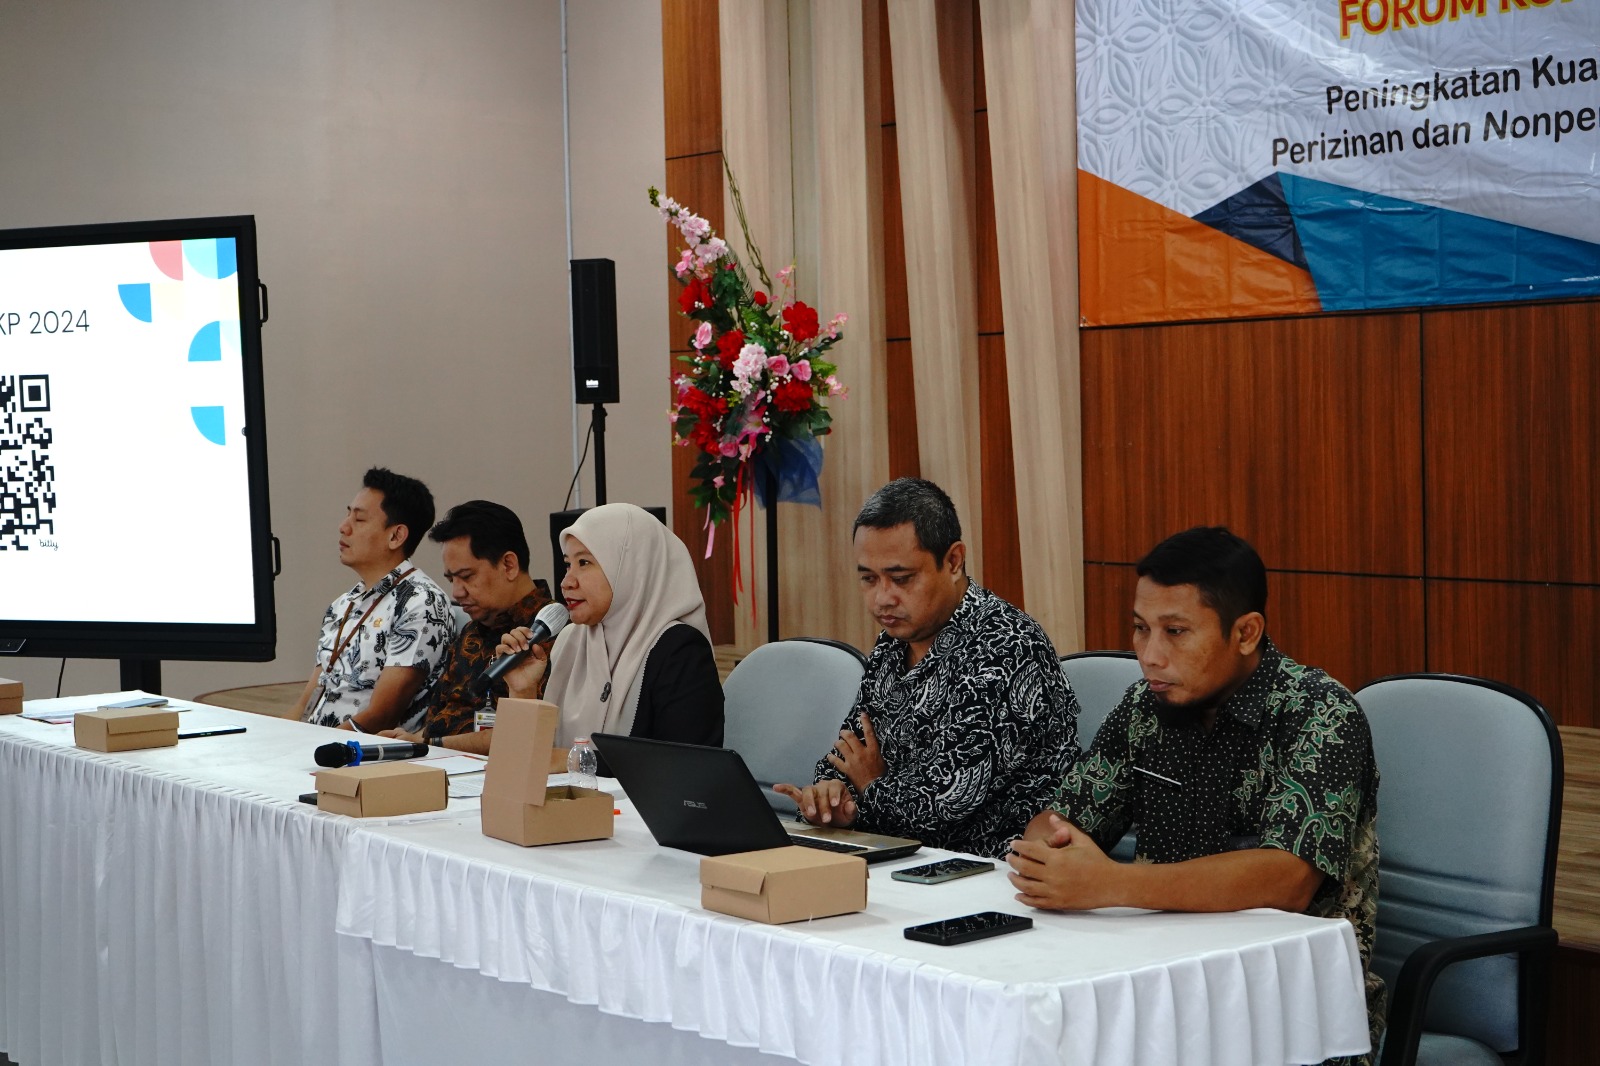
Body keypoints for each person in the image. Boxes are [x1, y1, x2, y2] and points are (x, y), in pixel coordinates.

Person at [1007, 526, 1383, 1065]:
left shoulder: (1320, 715)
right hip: (1154, 983)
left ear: (1246, 632)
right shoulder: (1145, 706)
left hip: (1287, 1011)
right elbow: (1057, 821)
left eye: (1176, 632)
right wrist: (1055, 850)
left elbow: (1287, 880)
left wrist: (1110, 883)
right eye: (1141, 629)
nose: (1150, 655)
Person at [773, 478, 1078, 859]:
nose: (882, 598)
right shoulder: (894, 640)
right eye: (868, 579)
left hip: (990, 869)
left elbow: (945, 802)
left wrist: (870, 786)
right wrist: (831, 796)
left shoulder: (1007, 646)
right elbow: (851, 750)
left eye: (901, 579)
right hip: (897, 856)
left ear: (953, 562)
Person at [492, 502, 723, 754]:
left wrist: (568, 761)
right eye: (568, 564)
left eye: (584, 562)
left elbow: (681, 764)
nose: (566, 582)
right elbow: (523, 761)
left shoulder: (680, 650)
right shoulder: (570, 640)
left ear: (630, 568)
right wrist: (522, 692)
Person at [378, 500, 553, 754]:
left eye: (467, 576)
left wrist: (426, 745)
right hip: (438, 761)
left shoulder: (550, 636)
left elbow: (528, 736)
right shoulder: (471, 631)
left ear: (509, 565)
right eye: (451, 579)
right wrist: (409, 740)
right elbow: (439, 719)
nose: (456, 593)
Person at [292, 468, 452, 733]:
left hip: (362, 752)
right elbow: (304, 704)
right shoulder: (342, 605)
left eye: (359, 519)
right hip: (315, 743)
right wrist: (278, 742)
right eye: (348, 515)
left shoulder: (421, 602)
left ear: (396, 536)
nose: (343, 527)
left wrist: (312, 747)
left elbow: (382, 716)